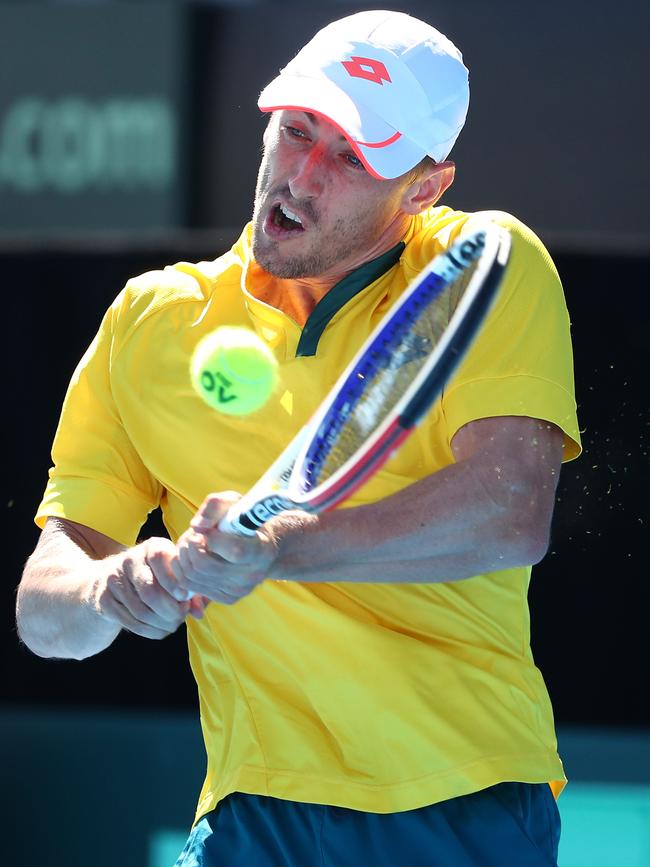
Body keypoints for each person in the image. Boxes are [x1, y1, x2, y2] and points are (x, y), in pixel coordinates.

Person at [16, 10, 581, 867]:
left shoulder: (481, 261)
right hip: (251, 815)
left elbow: (507, 509)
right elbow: (41, 609)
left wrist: (276, 546)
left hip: (460, 800)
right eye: (295, 130)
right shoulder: (148, 321)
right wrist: (113, 589)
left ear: (424, 187)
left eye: (352, 158)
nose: (302, 175)